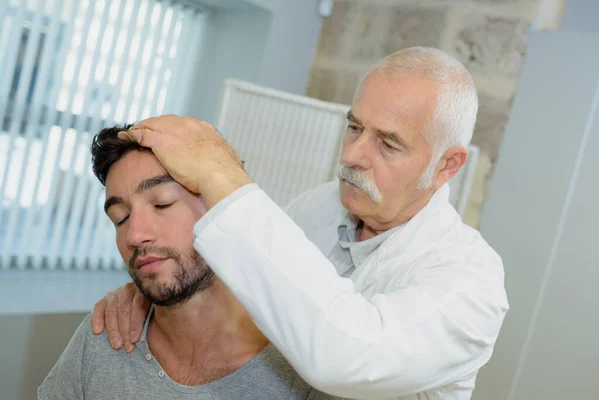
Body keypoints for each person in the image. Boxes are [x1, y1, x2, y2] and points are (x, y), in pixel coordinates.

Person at [92, 47, 509, 399]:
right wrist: (153, 295)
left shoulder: (470, 283)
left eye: (387, 143)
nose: (352, 156)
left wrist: (220, 175)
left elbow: (343, 357)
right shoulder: (318, 207)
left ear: (446, 166)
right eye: (354, 127)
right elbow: (249, 296)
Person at [38, 125, 313, 399]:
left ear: (224, 206)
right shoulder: (103, 338)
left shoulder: (308, 367)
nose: (134, 235)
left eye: (162, 203)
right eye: (121, 218)